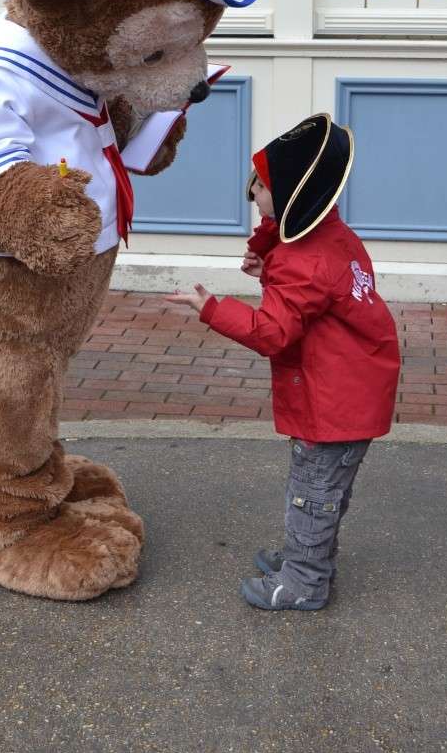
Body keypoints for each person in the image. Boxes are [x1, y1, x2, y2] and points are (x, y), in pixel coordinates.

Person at [166, 114, 400, 612]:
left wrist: (211, 308)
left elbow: (273, 332)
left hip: (332, 404)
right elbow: (309, 302)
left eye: (261, 193)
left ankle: (305, 583)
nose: (255, 202)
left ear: (293, 195)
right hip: (350, 390)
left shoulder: (304, 259)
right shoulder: (333, 238)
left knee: (311, 496)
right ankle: (305, 560)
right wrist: (271, 268)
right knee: (322, 492)